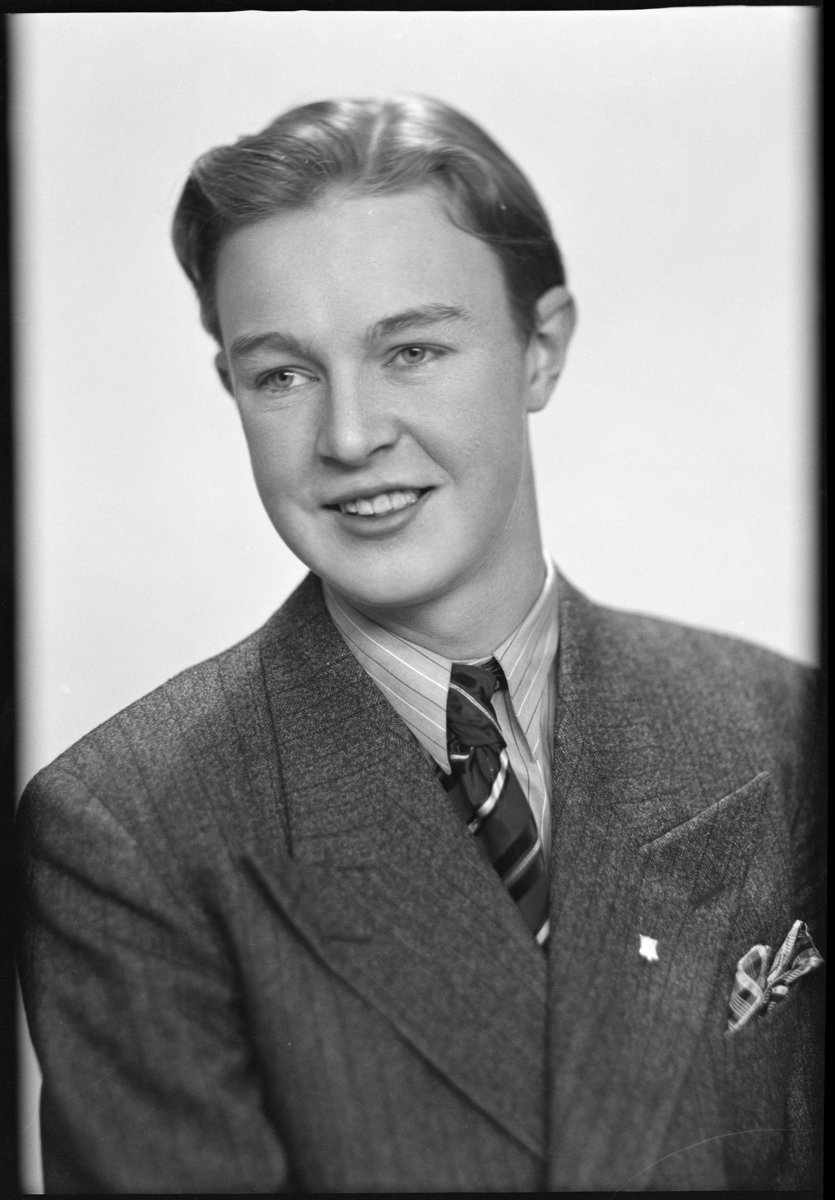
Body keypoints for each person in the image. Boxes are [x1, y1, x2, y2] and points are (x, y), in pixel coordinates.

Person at [16, 95, 824, 1193]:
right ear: (231, 389)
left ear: (541, 349)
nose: (349, 436)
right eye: (282, 374)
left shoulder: (779, 731)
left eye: (411, 350)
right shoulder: (128, 833)